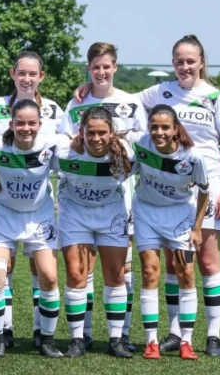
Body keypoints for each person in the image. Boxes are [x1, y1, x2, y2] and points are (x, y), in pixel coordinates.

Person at [74, 34, 220, 357]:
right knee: (172, 264)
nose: (185, 66)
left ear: (202, 62)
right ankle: (175, 333)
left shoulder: (216, 98)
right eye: (179, 61)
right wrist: (91, 88)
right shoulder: (161, 91)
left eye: (190, 61)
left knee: (207, 261)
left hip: (207, 185)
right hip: (168, 188)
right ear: (172, 63)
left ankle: (213, 335)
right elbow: (121, 100)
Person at [59, 42, 147, 352]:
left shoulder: (131, 102)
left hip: (117, 197)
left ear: (115, 67)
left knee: (121, 270)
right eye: (95, 67)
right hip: (77, 198)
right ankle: (80, 335)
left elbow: (144, 144)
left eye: (106, 66)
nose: (101, 72)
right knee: (79, 271)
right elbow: (64, 141)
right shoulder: (75, 104)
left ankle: (120, 336)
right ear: (88, 68)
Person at [0, 51, 64, 349]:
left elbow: (76, 154)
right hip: (4, 214)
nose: (26, 128)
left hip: (39, 215)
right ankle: (0, 336)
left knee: (49, 277)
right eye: (20, 123)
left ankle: (45, 338)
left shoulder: (53, 139)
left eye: (32, 123)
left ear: (41, 123)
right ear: (11, 123)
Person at [53, 106, 135, 358]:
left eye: (102, 133)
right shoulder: (65, 151)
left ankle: (116, 340)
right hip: (74, 214)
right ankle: (78, 339)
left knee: (116, 275)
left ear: (112, 132)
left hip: (111, 214)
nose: (96, 138)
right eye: (90, 133)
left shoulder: (127, 153)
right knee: (76, 274)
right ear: (81, 131)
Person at [133, 104, 210, 360]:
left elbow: (204, 191)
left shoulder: (193, 157)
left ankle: (186, 341)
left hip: (180, 217)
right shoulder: (140, 144)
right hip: (146, 213)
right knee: (149, 272)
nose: (159, 132)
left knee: (186, 272)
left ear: (175, 129)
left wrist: (197, 228)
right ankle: (151, 342)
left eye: (165, 127)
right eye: (154, 127)